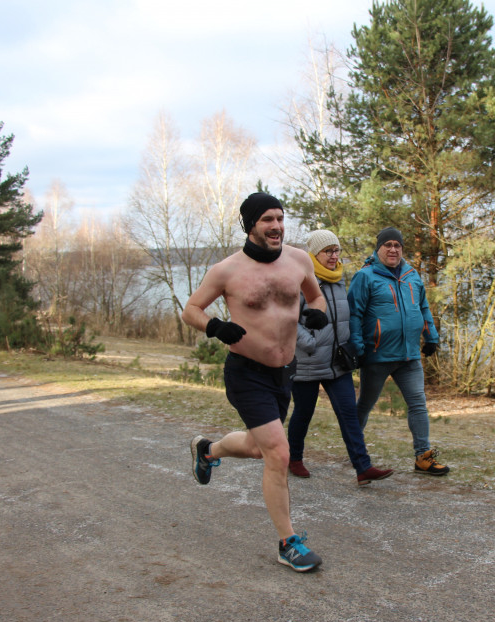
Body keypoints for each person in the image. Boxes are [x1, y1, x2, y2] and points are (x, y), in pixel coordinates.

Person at [181, 192, 329, 573]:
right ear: (250, 225)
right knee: (279, 454)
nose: (276, 226)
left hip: (285, 372)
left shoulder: (298, 259)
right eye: (267, 219)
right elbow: (191, 310)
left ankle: (208, 450)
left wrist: (316, 315)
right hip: (246, 373)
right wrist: (216, 326)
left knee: (257, 448)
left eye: (280, 218)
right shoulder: (227, 271)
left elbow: (316, 298)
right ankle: (287, 543)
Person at [287, 229, 394, 486]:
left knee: (348, 414)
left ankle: (363, 467)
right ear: (314, 254)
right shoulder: (300, 280)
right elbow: (289, 320)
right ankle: (294, 458)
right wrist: (310, 343)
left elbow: (345, 316)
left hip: (338, 361)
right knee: (303, 413)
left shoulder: (338, 279)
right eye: (328, 251)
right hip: (308, 360)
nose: (334, 256)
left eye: (337, 251)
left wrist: (351, 343)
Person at [348, 227, 450, 476]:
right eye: (388, 245)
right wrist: (357, 348)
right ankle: (355, 452)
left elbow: (423, 307)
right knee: (365, 406)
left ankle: (423, 457)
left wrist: (432, 336)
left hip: (409, 355)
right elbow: (354, 314)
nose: (393, 249)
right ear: (379, 248)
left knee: (418, 404)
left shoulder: (412, 275)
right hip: (377, 356)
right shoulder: (366, 276)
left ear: (402, 248)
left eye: (397, 245)